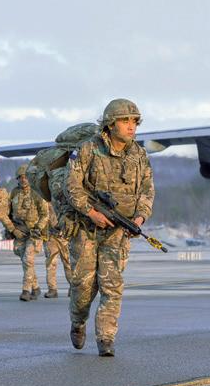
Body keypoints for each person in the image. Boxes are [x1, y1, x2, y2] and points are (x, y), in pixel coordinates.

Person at [65, 98, 154, 356]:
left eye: (134, 121)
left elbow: (147, 190)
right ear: (110, 124)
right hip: (86, 229)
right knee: (83, 287)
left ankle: (106, 338)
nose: (131, 126)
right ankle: (78, 321)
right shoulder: (88, 150)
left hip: (118, 232)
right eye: (125, 121)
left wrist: (140, 218)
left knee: (112, 286)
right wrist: (91, 212)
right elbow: (71, 185)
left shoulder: (139, 155)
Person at [9, 163, 49, 301]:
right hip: (19, 232)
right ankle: (36, 287)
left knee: (28, 259)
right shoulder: (14, 193)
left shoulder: (37, 193)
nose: (23, 180)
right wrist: (12, 229)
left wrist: (38, 228)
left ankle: (26, 290)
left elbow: (45, 214)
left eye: (26, 177)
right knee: (27, 263)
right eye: (20, 177)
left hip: (34, 233)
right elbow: (8, 213)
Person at [43, 201, 72, 297]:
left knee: (68, 263)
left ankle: (73, 287)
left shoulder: (63, 198)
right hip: (50, 236)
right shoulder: (43, 201)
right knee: (50, 264)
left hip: (64, 237)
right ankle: (52, 289)